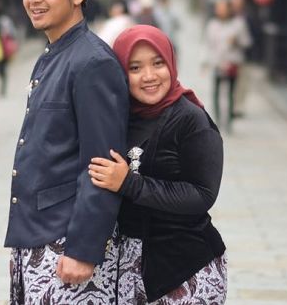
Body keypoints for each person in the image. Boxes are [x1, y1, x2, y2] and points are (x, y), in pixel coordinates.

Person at [5, 0, 129, 304]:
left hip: (66, 243)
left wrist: (84, 249)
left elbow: (103, 164)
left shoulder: (92, 62)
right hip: (36, 235)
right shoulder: (52, 55)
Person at [89, 25, 227, 304]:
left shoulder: (191, 119)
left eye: (158, 63)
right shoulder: (120, 117)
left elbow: (202, 195)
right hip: (128, 269)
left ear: (171, 63)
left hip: (185, 271)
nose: (149, 76)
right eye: (135, 67)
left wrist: (129, 183)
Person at [204, 0, 251, 131]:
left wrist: (236, 41)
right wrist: (207, 62)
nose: (220, 11)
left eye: (223, 8)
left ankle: (229, 120)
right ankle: (217, 120)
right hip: (217, 62)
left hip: (232, 62)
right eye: (218, 8)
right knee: (216, 91)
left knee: (231, 92)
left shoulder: (238, 24)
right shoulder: (212, 24)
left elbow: (247, 42)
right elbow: (209, 45)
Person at [229, 0, 253, 117]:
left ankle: (238, 107)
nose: (235, 7)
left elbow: (251, 39)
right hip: (229, 57)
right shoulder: (229, 18)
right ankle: (230, 106)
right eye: (233, 4)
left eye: (238, 4)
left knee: (242, 83)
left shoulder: (247, 18)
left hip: (244, 56)